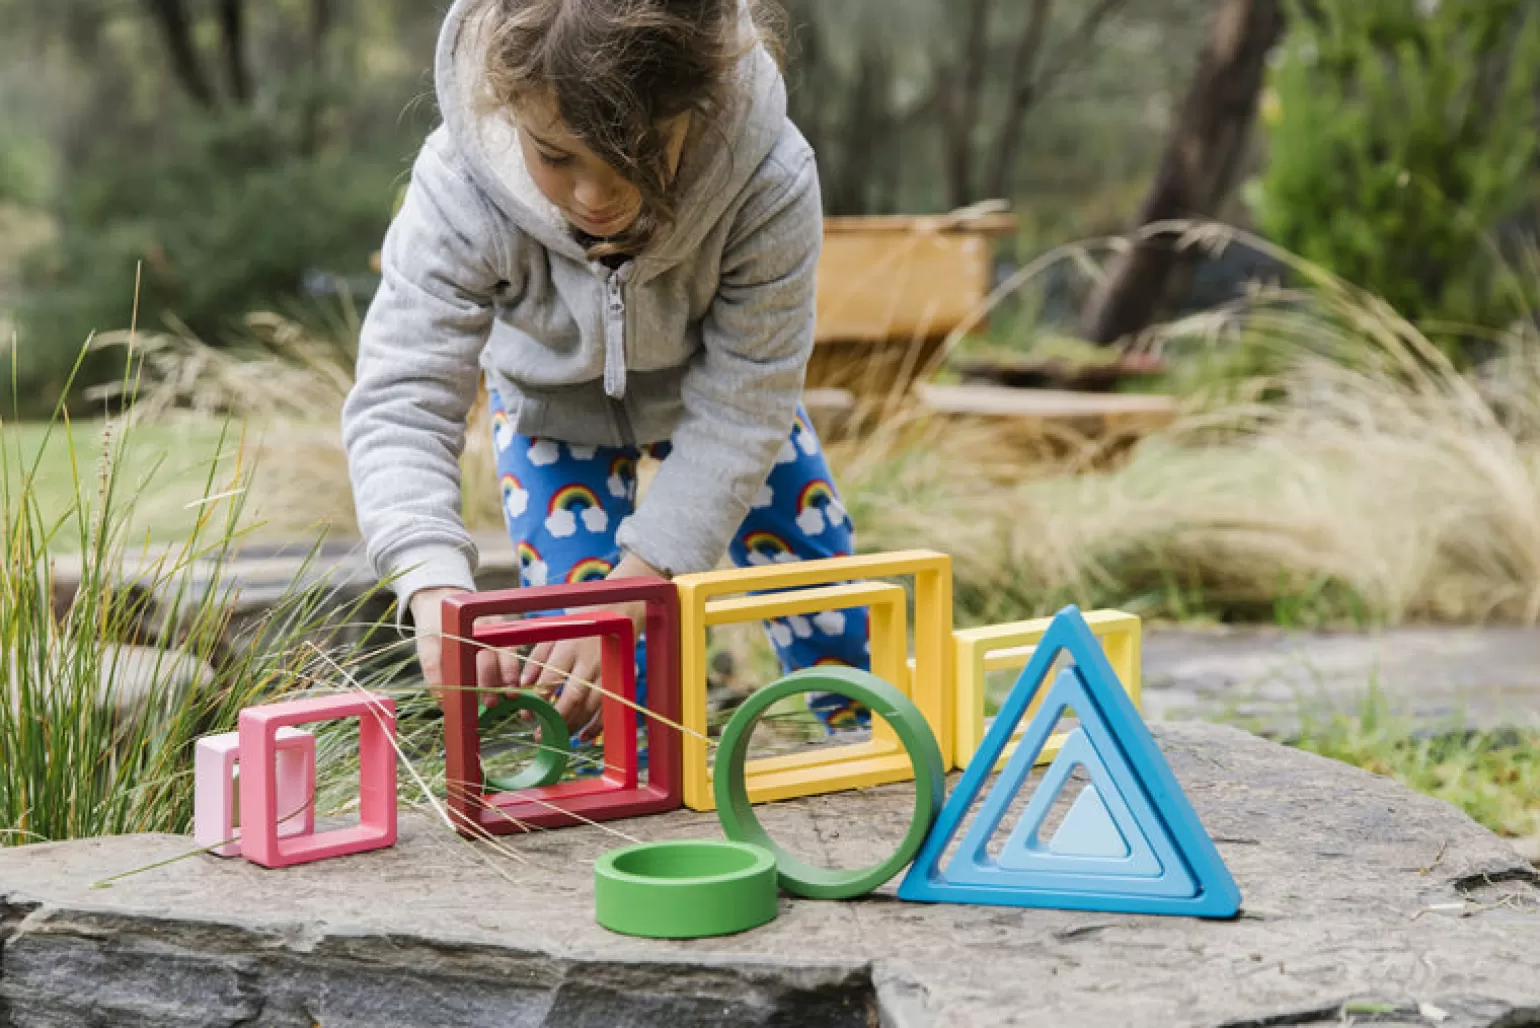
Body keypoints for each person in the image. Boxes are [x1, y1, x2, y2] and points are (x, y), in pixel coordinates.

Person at [342, 0, 871, 741]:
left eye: (637, 156)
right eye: (555, 157)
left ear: (700, 103)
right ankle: (633, 780)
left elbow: (748, 405)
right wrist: (429, 580)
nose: (597, 198)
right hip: (551, 413)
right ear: (509, 107)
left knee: (821, 585)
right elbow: (402, 399)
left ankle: (861, 739)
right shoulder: (459, 189)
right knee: (593, 668)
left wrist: (645, 577)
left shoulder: (769, 179)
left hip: (722, 404)